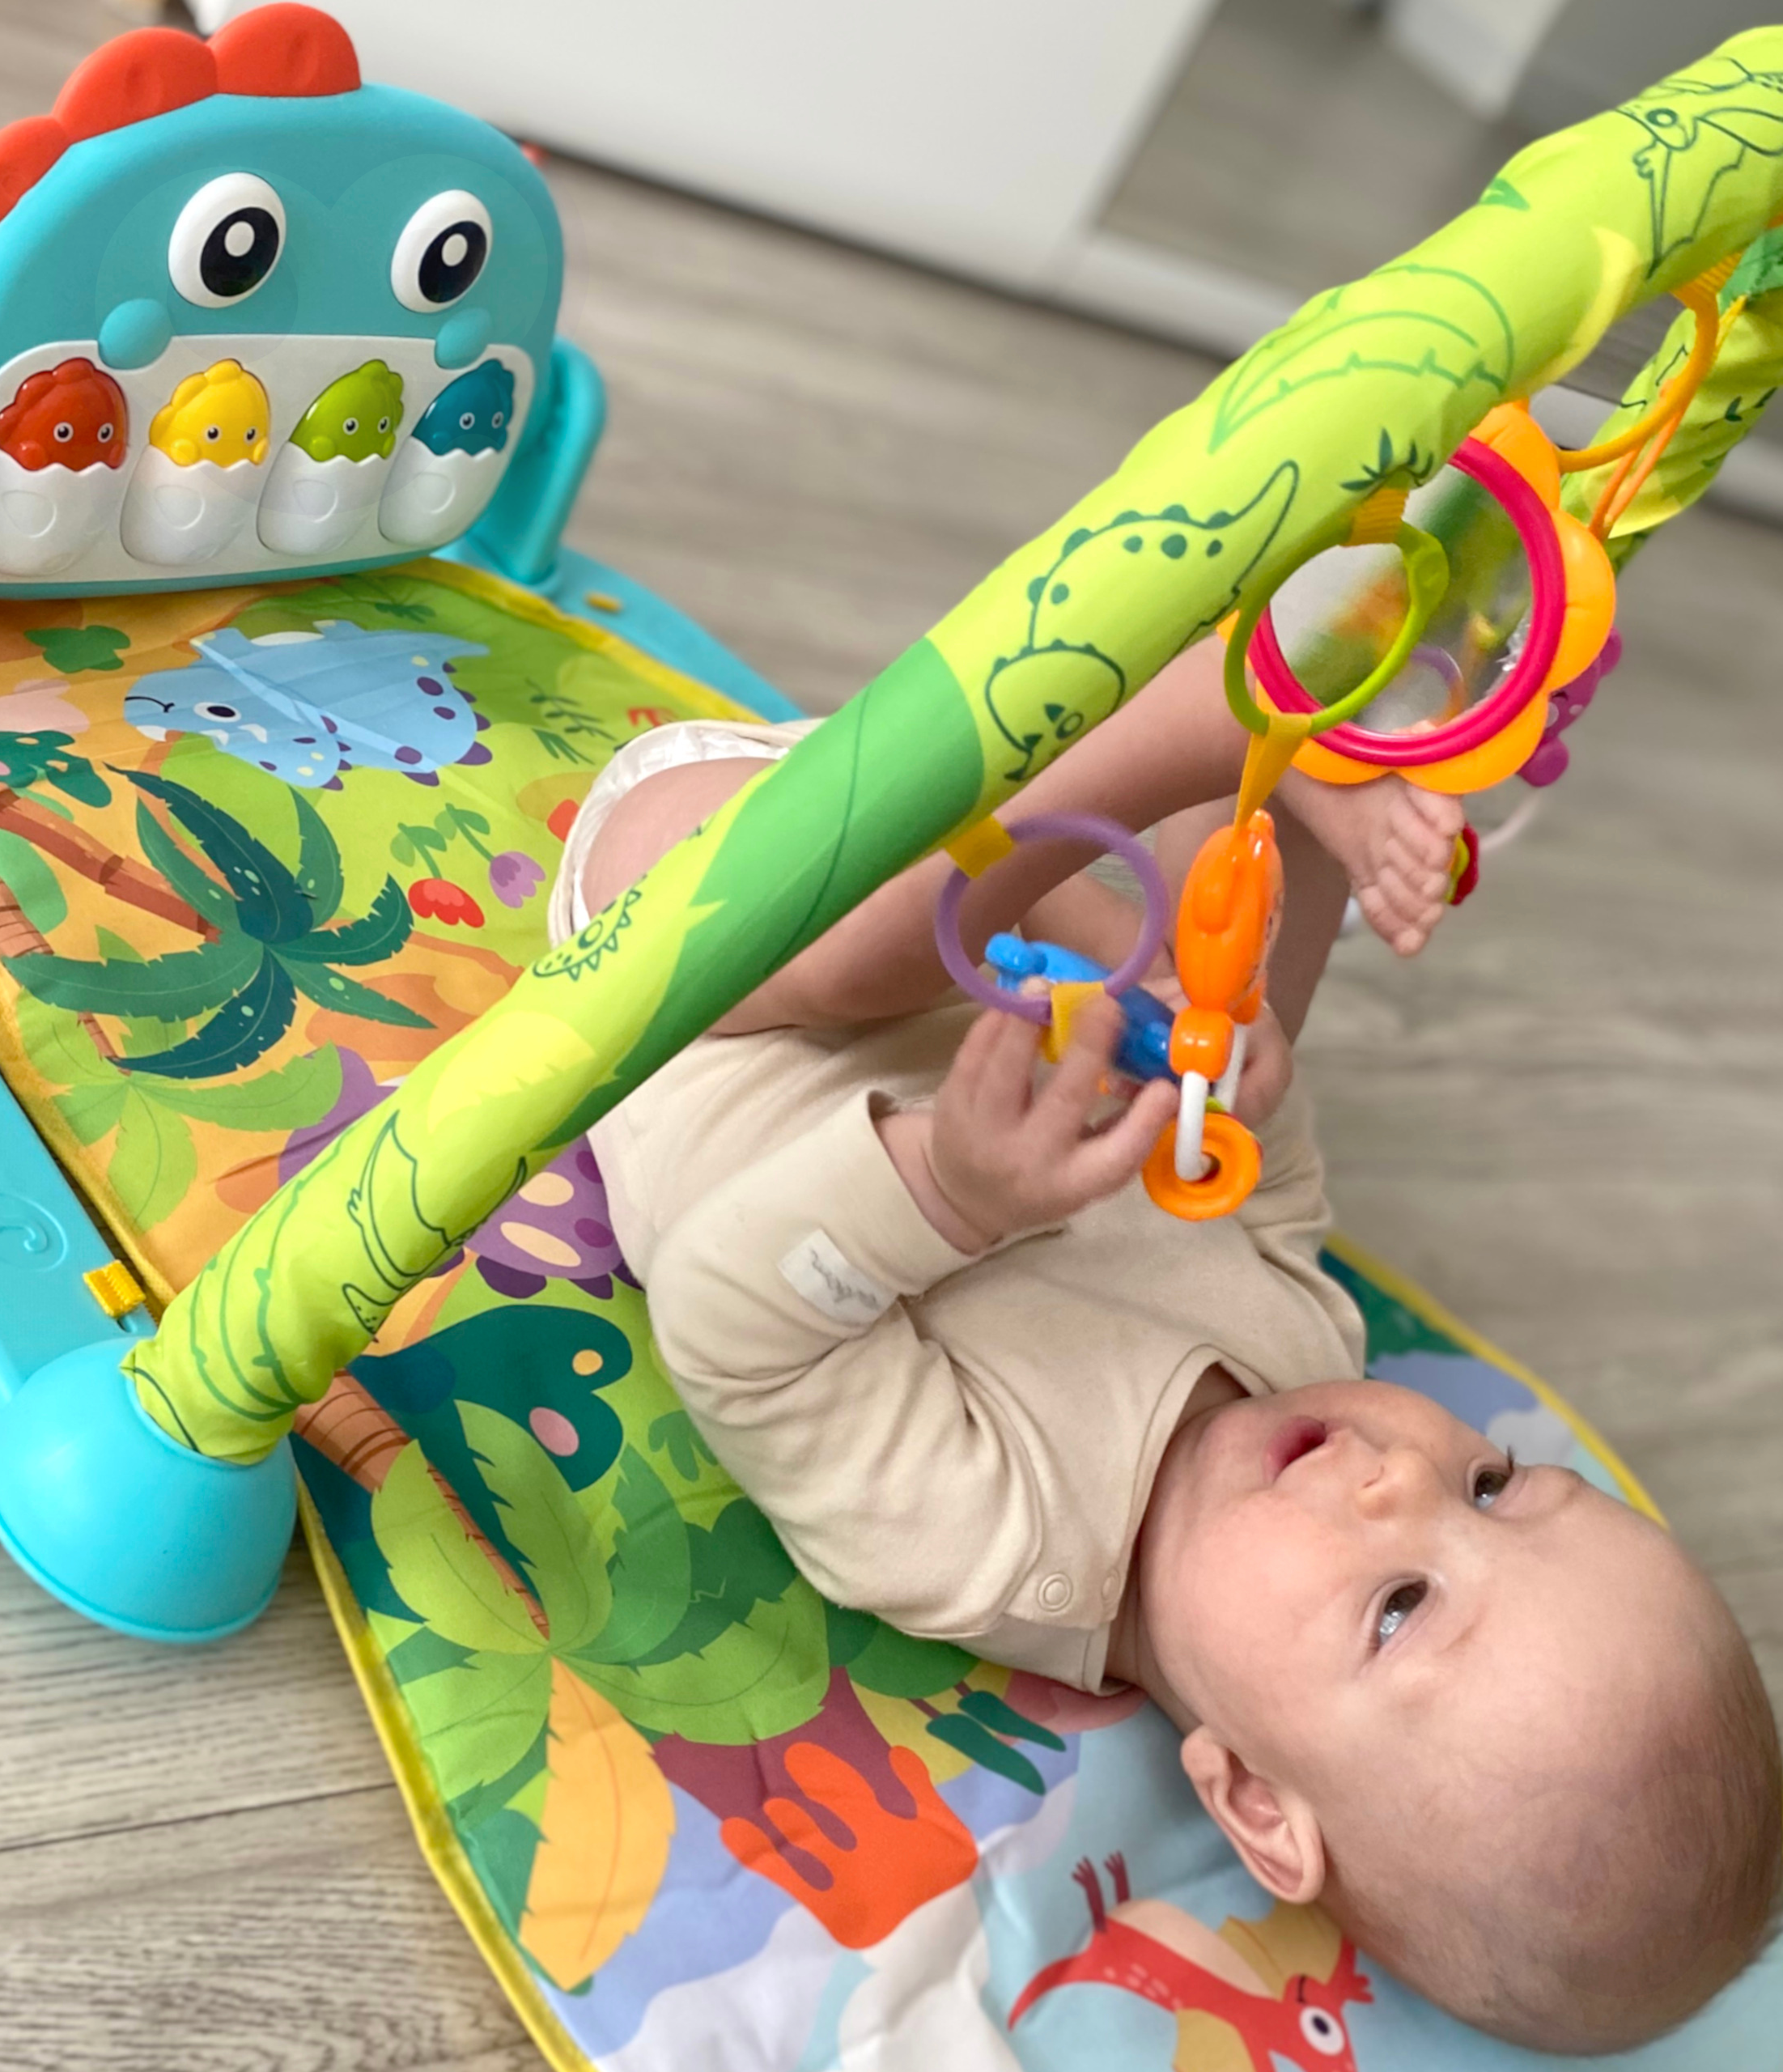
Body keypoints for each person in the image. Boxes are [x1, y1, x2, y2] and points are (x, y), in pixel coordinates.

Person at [548, 640, 1783, 2053]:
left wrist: (950, 1188)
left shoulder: (994, 1541)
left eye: (1397, 1607)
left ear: (1253, 1800)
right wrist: (1244, 1070)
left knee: (848, 964)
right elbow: (1274, 1175)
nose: (1398, 1476)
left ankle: (1200, 719)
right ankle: (1313, 745)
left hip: (693, 937)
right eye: (1491, 1485)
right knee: (1235, 1016)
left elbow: (738, 1331)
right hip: (959, 883)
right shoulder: (1305, 1349)